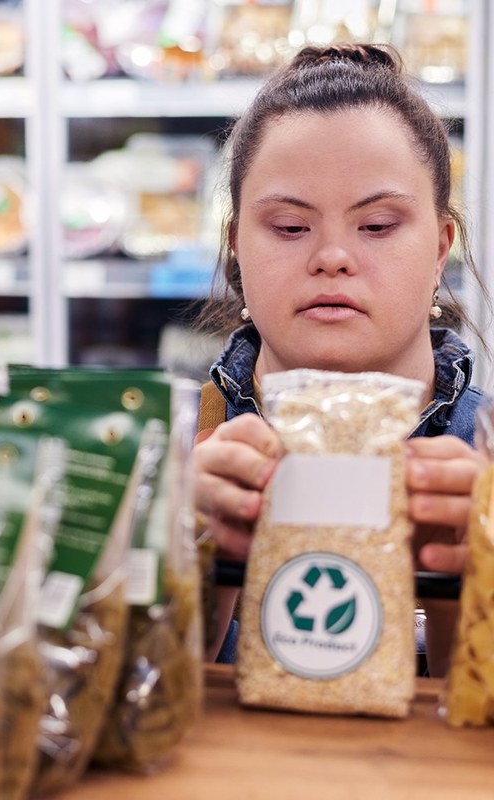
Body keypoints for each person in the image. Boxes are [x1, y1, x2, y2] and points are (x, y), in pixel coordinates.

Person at [190, 42, 492, 677]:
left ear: (441, 249)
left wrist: (465, 604)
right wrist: (189, 576)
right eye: (290, 227)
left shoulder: (485, 465)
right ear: (236, 244)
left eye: (377, 226)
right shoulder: (154, 460)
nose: (332, 257)